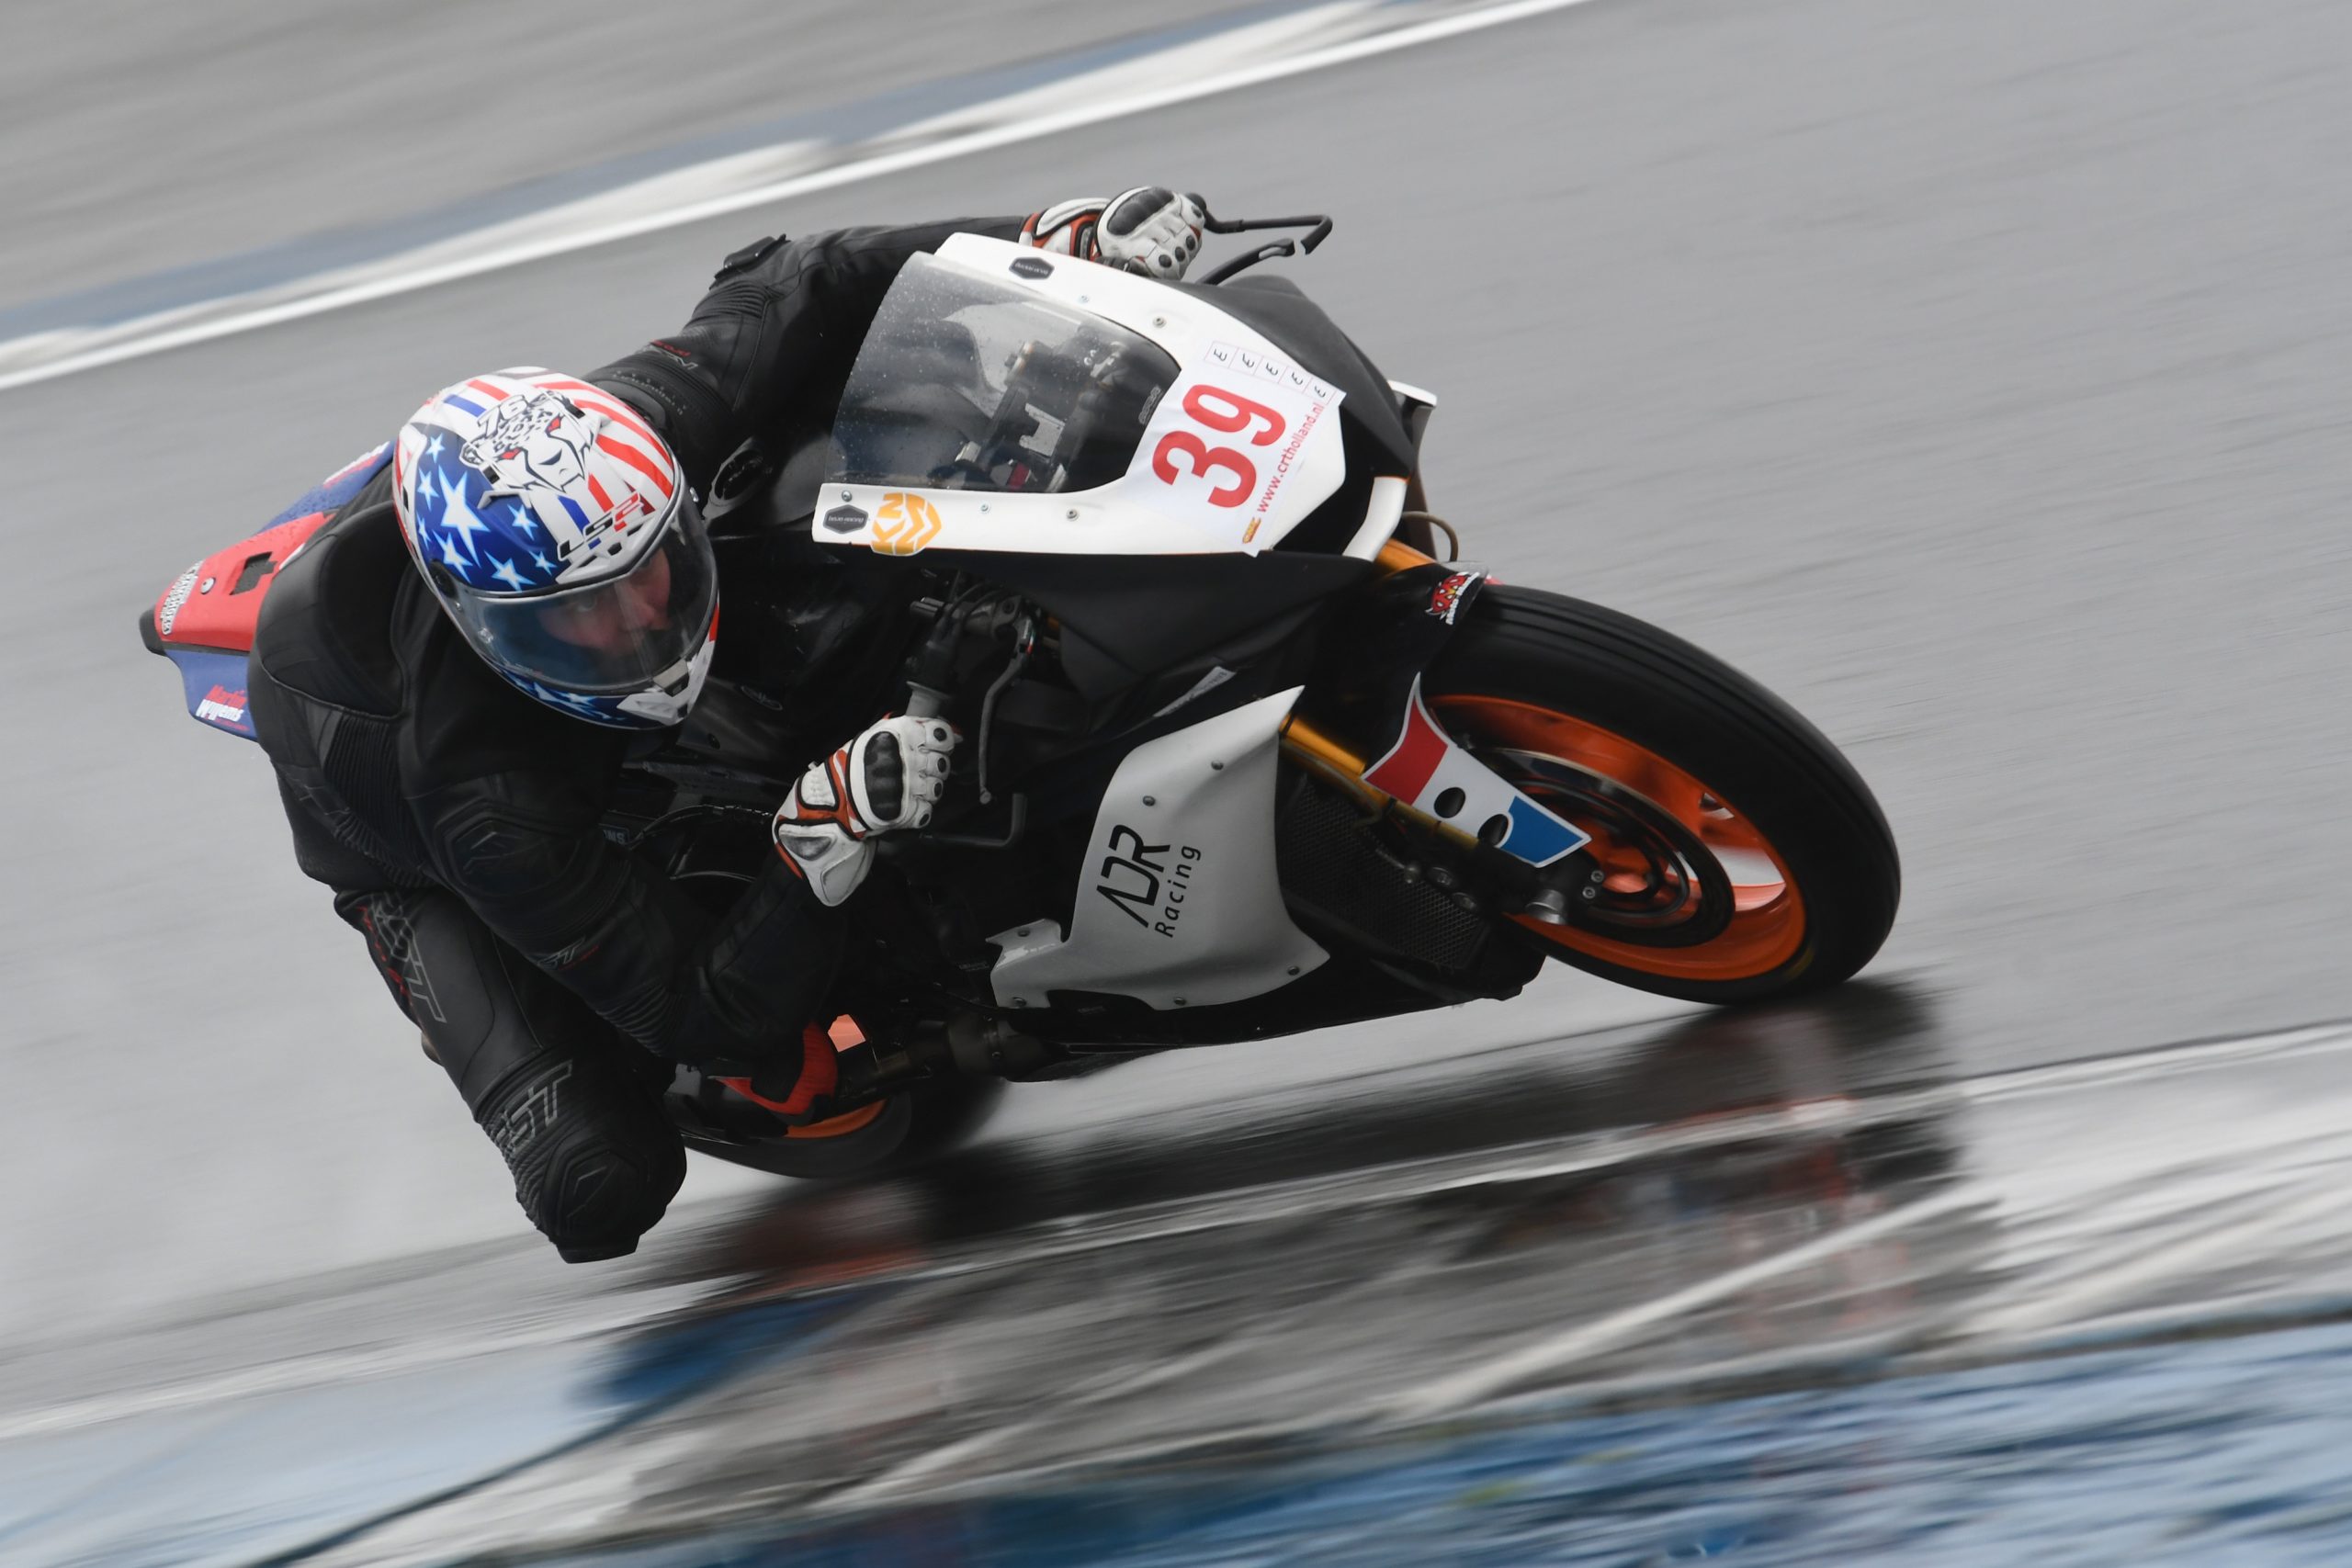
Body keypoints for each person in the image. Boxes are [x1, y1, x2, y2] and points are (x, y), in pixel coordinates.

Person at [243, 189, 1211, 1261]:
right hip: (410, 843)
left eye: (650, 571)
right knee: (595, 1183)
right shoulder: (480, 798)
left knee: (841, 495)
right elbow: (709, 1019)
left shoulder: (637, 438)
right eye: (584, 619)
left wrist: (1039, 242)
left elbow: (799, 276)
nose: (638, 628)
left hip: (510, 528)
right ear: (487, 627)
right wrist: (816, 839)